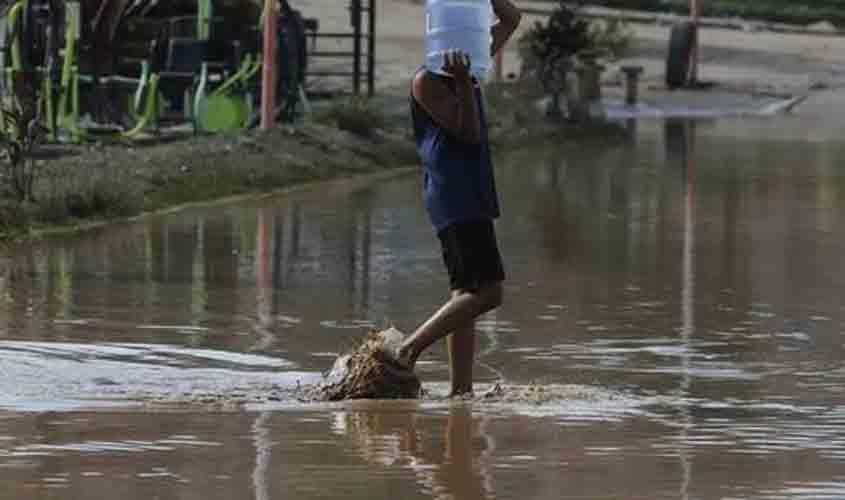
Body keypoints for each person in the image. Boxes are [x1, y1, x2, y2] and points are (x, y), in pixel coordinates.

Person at [392, 0, 522, 397]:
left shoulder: (474, 62)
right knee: (487, 292)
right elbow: (467, 133)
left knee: (464, 294)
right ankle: (407, 349)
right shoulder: (428, 81)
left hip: (471, 190)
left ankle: (460, 391)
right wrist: (464, 81)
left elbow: (512, 19)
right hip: (455, 196)